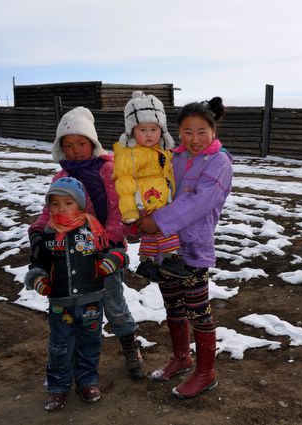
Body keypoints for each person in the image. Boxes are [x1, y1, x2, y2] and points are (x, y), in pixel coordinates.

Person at [28, 106, 146, 380]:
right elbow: (49, 211)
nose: (75, 150)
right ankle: (75, 360)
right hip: (69, 257)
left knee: (114, 306)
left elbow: (120, 210)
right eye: (68, 145)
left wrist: (106, 242)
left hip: (105, 255)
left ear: (92, 143)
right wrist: (37, 231)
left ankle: (130, 346)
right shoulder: (61, 177)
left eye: (80, 143)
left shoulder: (108, 170)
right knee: (73, 310)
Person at [137, 97, 233, 398]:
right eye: (187, 132)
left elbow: (199, 202)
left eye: (202, 131)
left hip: (193, 248)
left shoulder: (219, 162)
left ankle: (206, 373)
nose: (195, 139)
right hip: (165, 247)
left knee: (197, 310)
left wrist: (157, 221)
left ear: (213, 131)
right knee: (173, 305)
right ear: (178, 132)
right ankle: (181, 358)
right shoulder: (171, 157)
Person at [24, 177, 126, 411]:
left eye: (68, 203)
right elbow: (37, 264)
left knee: (89, 343)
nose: (61, 209)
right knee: (60, 346)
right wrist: (38, 279)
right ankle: (58, 387)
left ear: (80, 205)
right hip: (60, 303)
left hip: (92, 302)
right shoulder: (46, 235)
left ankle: (87, 381)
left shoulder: (93, 230)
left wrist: (112, 260)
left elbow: (115, 251)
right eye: (55, 204)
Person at [112, 91, 190, 281]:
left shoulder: (162, 149)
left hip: (159, 197)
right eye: (143, 129)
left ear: (161, 130)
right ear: (132, 131)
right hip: (144, 200)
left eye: (153, 129)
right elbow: (124, 181)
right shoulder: (130, 153)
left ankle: (147, 262)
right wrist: (129, 210)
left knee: (152, 232)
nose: (149, 134)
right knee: (165, 228)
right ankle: (171, 259)